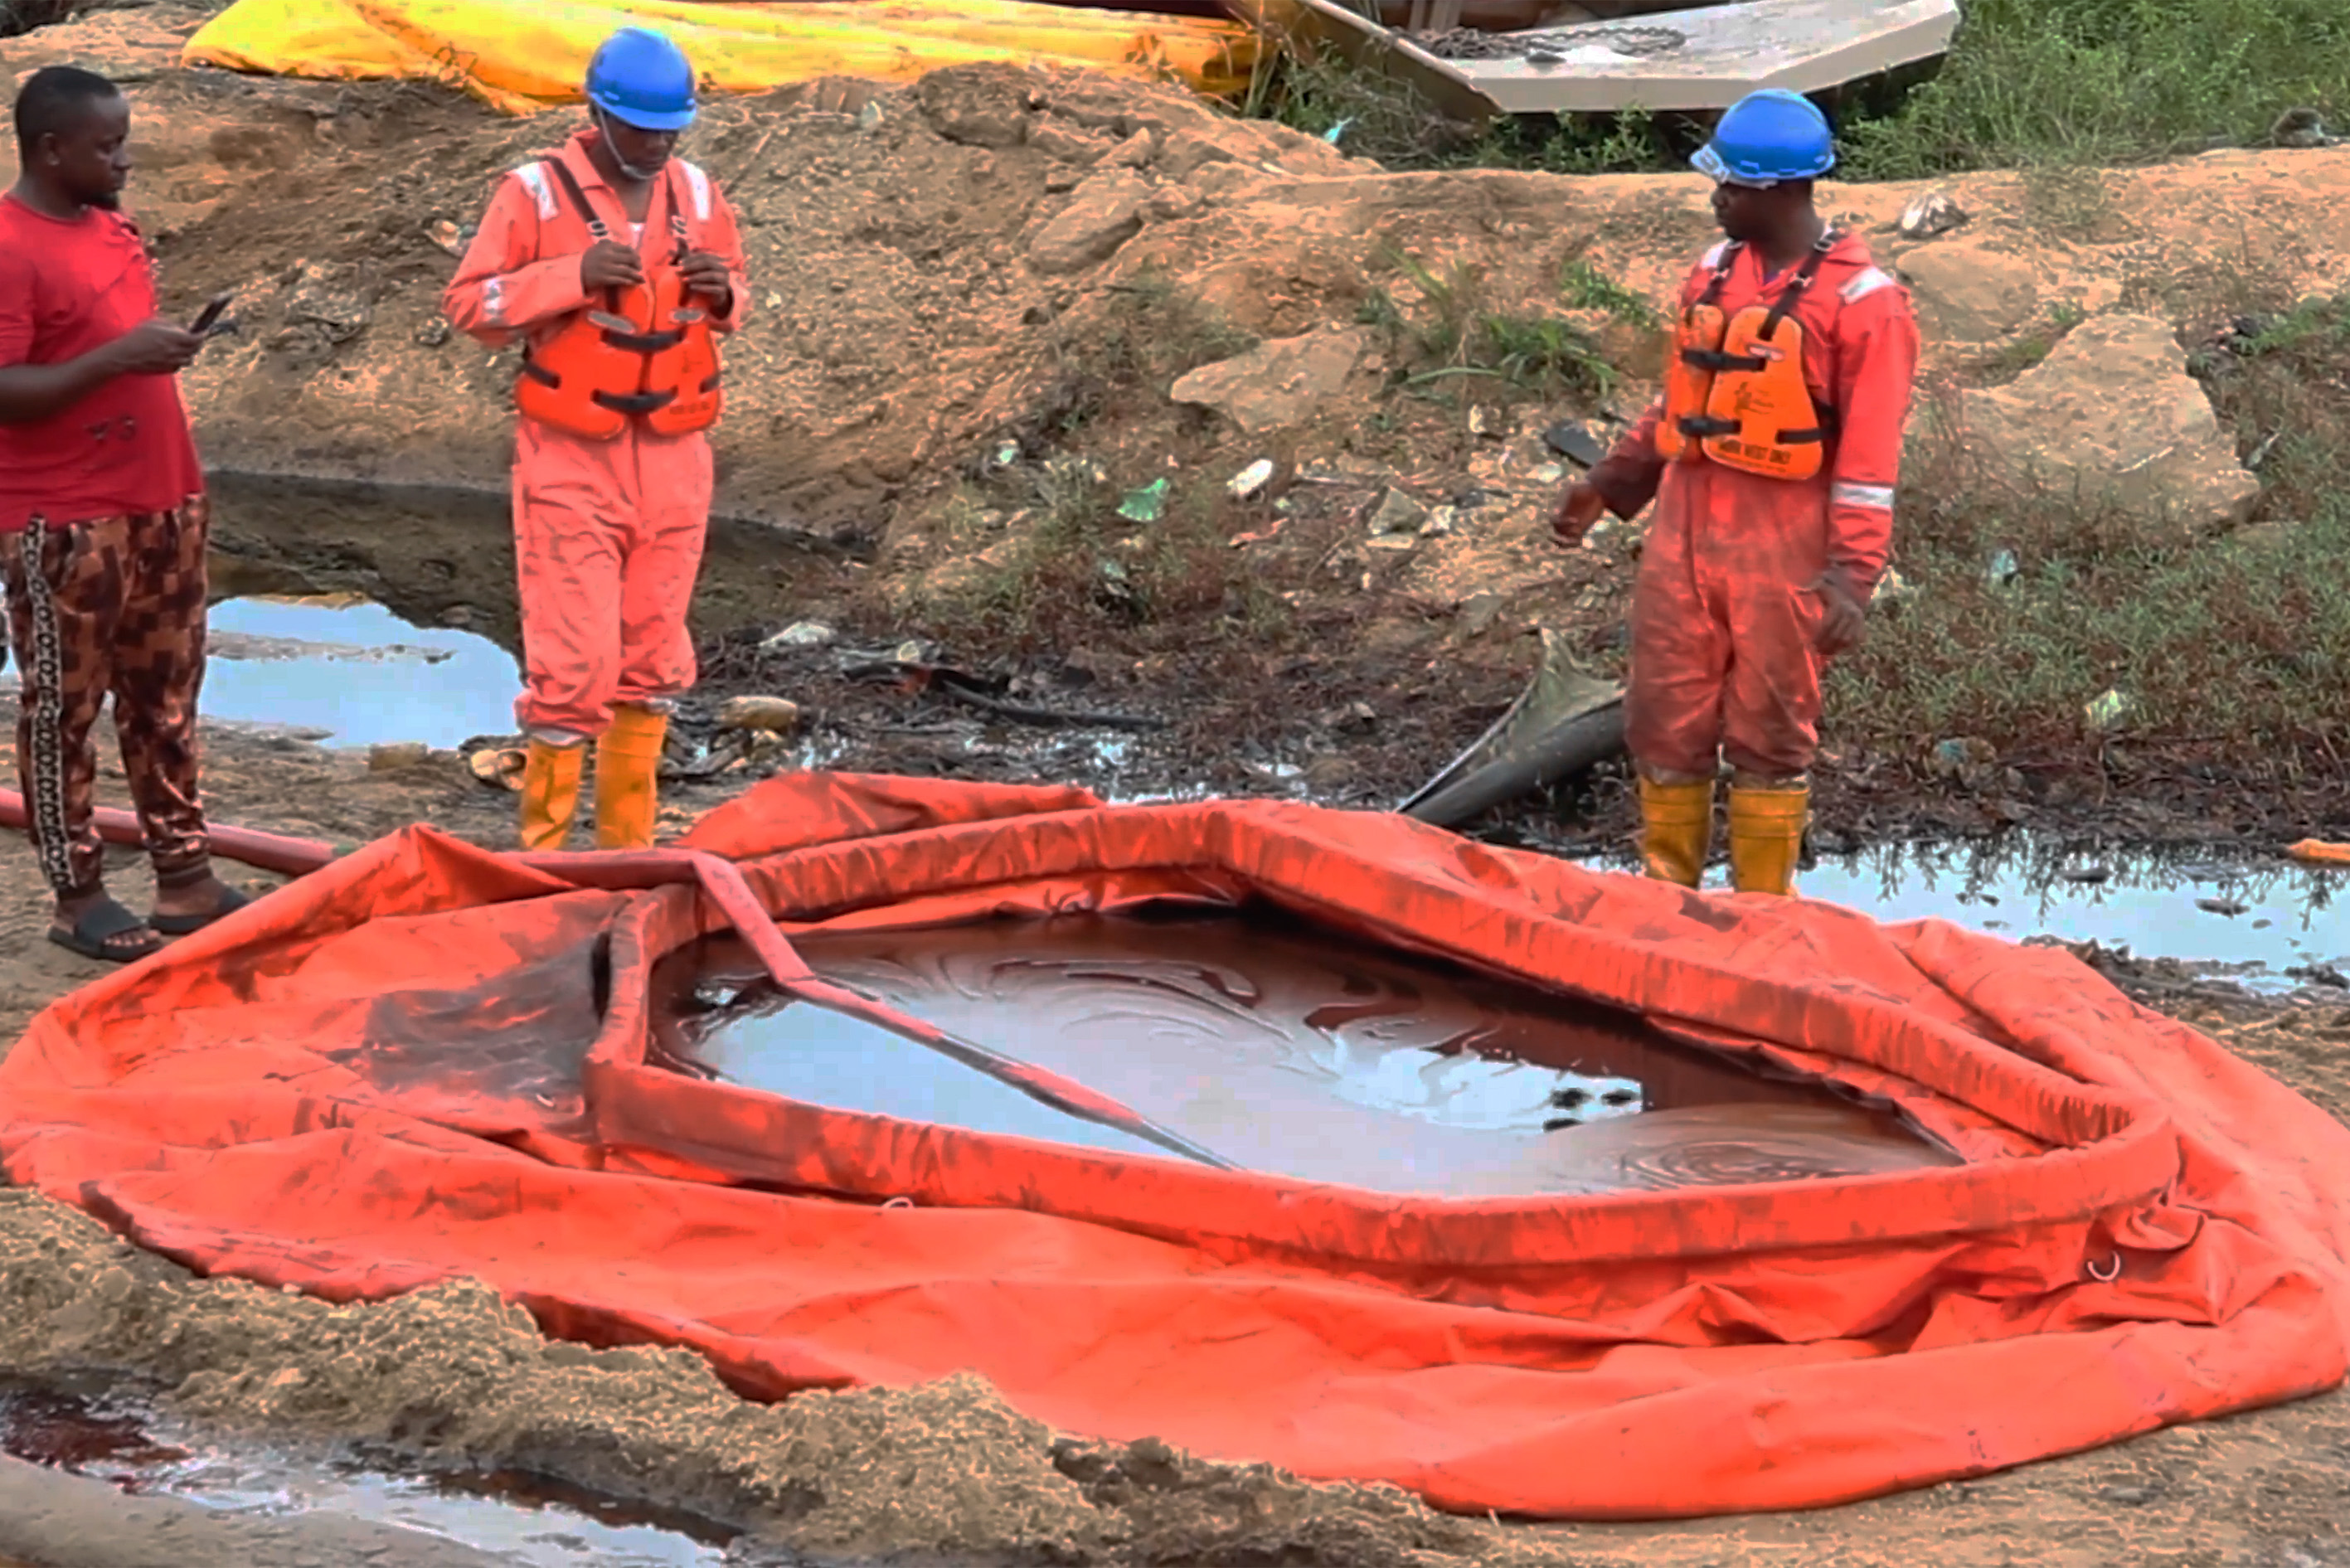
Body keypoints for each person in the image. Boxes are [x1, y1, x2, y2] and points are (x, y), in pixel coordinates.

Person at [1553, 90, 1919, 897]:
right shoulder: (1710, 274)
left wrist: (1851, 576)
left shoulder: (1867, 308)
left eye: (1730, 185)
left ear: (1782, 191)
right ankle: (1667, 909)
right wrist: (1608, 484)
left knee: (1768, 730)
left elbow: (1867, 459)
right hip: (1683, 534)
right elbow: (1678, 400)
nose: (1714, 196)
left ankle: (1762, 921)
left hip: (1781, 546)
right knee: (1663, 721)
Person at [443, 26, 747, 852]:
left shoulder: (697, 192)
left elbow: (733, 291)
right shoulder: (533, 194)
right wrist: (570, 279)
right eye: (641, 128)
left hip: (676, 458)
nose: (656, 146)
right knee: (571, 668)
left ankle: (627, 856)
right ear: (597, 113)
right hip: (570, 458)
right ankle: (543, 860)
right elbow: (471, 305)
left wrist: (724, 294)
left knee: (651, 665)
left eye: (670, 130)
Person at [0, 66, 247, 964]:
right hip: (65, 518)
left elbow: (111, 350)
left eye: (124, 141)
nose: (125, 160)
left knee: (166, 697)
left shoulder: (112, 227)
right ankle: (79, 895)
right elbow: (7, 390)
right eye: (107, 146)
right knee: (64, 706)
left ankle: (184, 874)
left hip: (162, 499)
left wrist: (152, 352)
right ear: (50, 149)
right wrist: (118, 358)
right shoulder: (8, 244)